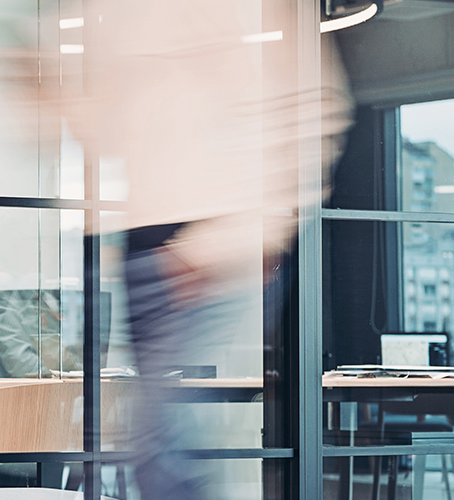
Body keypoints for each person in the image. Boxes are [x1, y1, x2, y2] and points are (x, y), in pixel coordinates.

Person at [59, 0, 354, 497]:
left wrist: (234, 239)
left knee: (162, 441)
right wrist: (46, 91)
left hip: (210, 247)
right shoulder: (118, 14)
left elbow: (312, 109)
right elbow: (111, 128)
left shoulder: (251, 12)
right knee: (151, 443)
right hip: (143, 245)